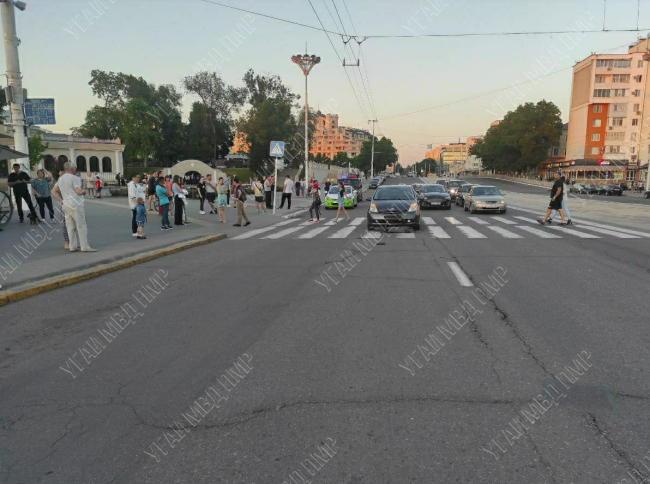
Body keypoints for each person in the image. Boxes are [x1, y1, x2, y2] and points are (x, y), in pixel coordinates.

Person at [51, 162, 96, 252]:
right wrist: (84, 192)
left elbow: (53, 191)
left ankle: (72, 246)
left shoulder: (61, 178)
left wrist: (61, 200)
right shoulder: (74, 178)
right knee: (81, 225)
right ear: (71, 169)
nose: (75, 169)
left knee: (70, 226)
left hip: (66, 203)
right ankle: (84, 246)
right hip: (75, 203)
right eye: (74, 168)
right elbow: (78, 191)